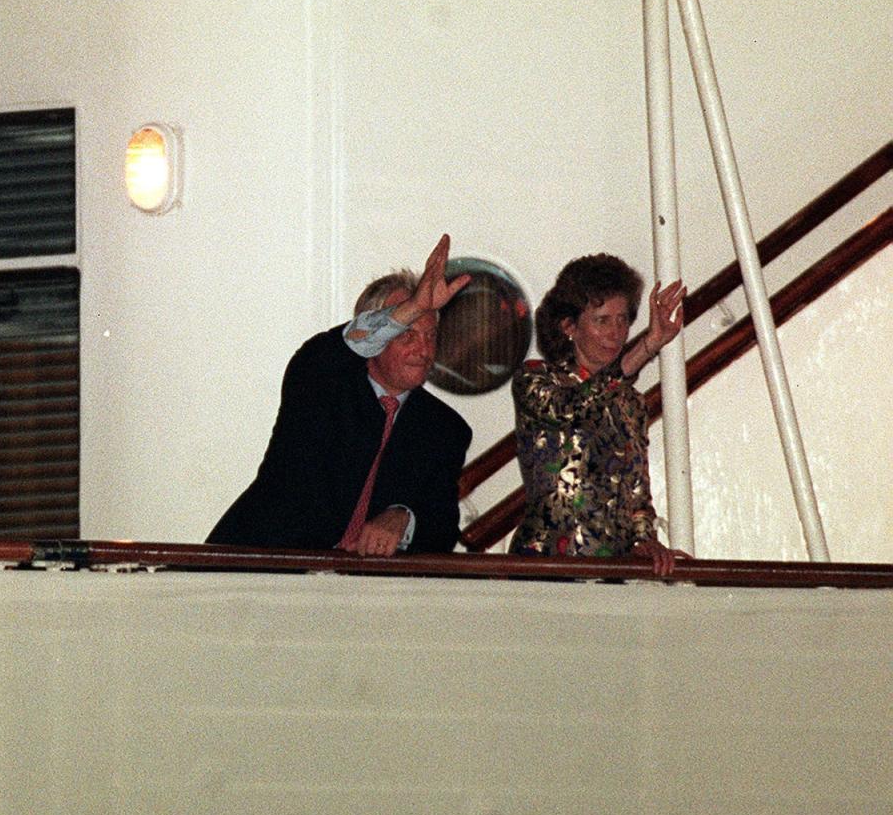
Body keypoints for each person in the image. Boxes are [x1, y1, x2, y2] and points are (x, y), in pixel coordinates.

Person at [206, 235, 472, 556]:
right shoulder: (321, 378)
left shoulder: (445, 429)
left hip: (355, 594)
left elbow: (441, 529)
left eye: (430, 335)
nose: (423, 348)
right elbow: (345, 344)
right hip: (258, 568)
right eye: (407, 333)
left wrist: (403, 518)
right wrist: (414, 306)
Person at [509, 253, 688, 575]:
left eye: (623, 320)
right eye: (602, 320)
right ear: (569, 326)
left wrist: (646, 540)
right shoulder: (535, 378)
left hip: (612, 569)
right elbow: (572, 409)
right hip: (548, 565)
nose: (616, 332)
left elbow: (636, 486)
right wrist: (647, 347)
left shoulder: (630, 402)